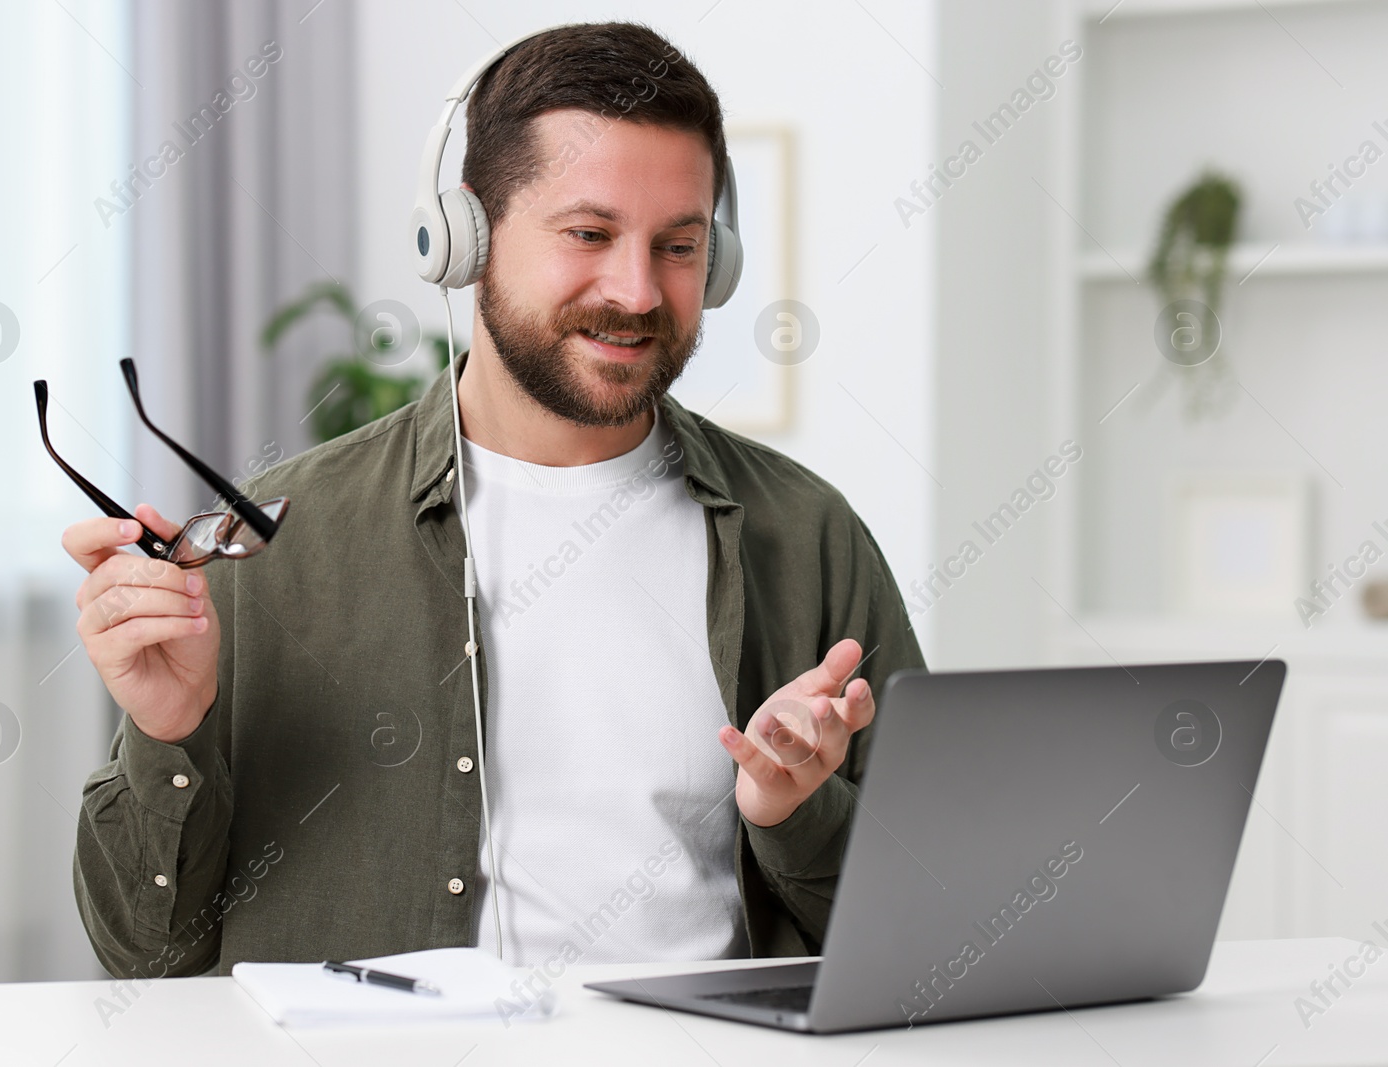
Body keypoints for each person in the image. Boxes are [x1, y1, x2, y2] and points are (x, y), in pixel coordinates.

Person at [67, 21, 925, 982]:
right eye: (588, 234)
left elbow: (940, 920)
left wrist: (795, 812)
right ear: (463, 238)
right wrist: (168, 729)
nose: (637, 291)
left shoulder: (807, 538)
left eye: (678, 245)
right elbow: (144, 952)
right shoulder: (277, 541)